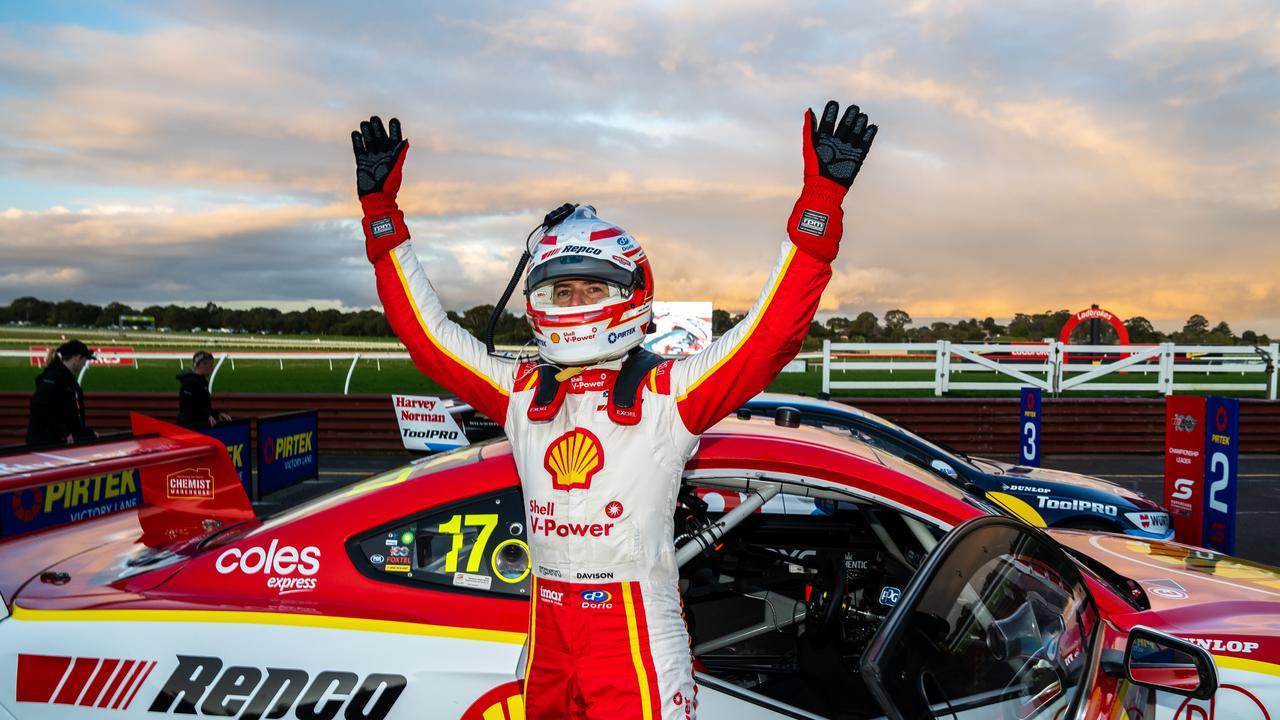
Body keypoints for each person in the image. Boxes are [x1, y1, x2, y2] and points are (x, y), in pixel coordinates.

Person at [352, 101, 877, 720]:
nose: (576, 302)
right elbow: (428, 336)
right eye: (561, 290)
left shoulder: (668, 392)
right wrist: (382, 220)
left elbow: (771, 335)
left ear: (632, 293)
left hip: (634, 630)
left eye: (594, 287)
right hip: (545, 625)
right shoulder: (520, 392)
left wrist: (820, 203)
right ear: (536, 299)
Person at [26, 339, 97, 446]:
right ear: (77, 358)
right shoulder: (55, 377)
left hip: (54, 441)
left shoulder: (65, 379)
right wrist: (64, 432)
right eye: (85, 360)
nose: (84, 364)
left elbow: (70, 417)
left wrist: (87, 432)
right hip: (46, 443)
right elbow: (38, 405)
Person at [176, 350, 231, 430]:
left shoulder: (202, 381)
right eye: (210, 365)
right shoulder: (189, 382)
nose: (212, 368)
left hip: (196, 424)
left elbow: (202, 406)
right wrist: (206, 416)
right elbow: (187, 406)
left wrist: (217, 414)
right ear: (201, 364)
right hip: (189, 426)